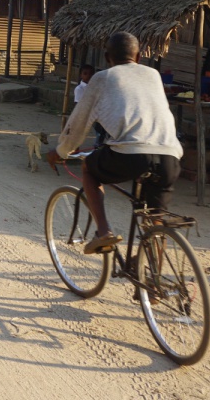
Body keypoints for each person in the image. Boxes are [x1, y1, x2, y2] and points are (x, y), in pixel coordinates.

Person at [46, 32, 182, 254]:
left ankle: (104, 231)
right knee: (155, 220)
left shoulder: (102, 78)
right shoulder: (154, 75)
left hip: (132, 155)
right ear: (138, 57)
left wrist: (60, 151)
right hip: (170, 156)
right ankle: (153, 284)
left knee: (89, 168)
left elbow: (78, 123)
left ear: (107, 57)